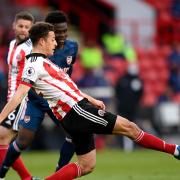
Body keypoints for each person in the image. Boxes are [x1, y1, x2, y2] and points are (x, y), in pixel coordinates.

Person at [0, 22, 180, 180]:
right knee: (130, 128)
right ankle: (175, 150)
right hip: (76, 111)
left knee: (86, 165)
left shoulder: (44, 62)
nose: (56, 43)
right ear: (41, 41)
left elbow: (68, 87)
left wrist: (91, 99)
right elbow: (19, 94)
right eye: (52, 39)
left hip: (75, 112)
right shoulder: (33, 66)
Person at [18, 10, 77, 172]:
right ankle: (3, 172)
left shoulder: (73, 47)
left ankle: (59, 171)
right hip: (37, 99)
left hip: (57, 100)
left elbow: (67, 73)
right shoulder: (36, 51)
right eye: (58, 32)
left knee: (74, 134)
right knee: (23, 141)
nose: (62, 34)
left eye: (65, 30)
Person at [0, 11, 34, 180]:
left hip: (21, 99)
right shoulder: (13, 43)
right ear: (14, 26)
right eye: (20, 26)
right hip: (10, 97)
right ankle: (27, 177)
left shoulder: (29, 49)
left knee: (2, 136)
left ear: (31, 29)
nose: (23, 30)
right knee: (3, 140)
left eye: (27, 27)